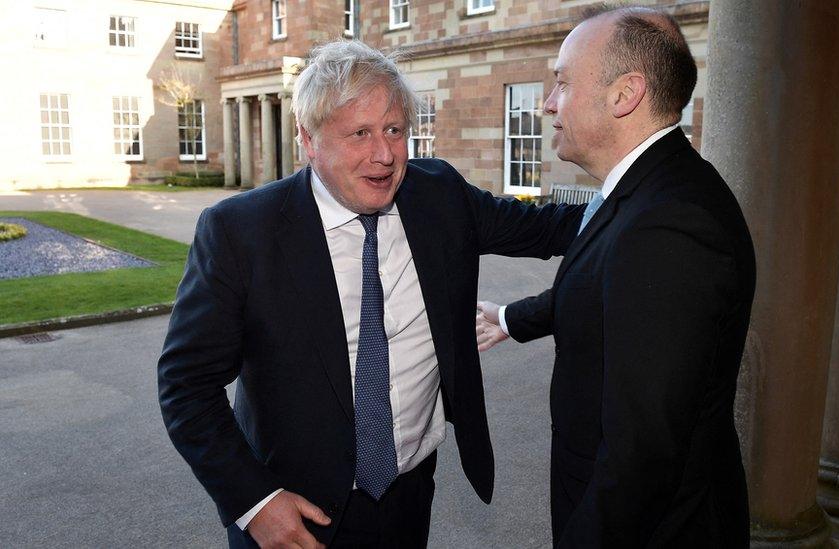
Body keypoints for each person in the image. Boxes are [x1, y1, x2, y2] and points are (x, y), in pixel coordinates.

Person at [157, 40, 582, 549]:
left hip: (409, 494)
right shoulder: (240, 232)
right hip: (294, 512)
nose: (384, 155)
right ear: (308, 140)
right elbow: (186, 386)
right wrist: (254, 502)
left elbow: (551, 228)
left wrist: (649, 192)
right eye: (360, 133)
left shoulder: (438, 195)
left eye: (395, 130)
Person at [477, 6, 755, 547]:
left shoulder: (669, 226)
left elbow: (642, 455)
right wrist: (511, 317)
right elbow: (601, 288)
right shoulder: (644, 192)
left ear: (625, 94)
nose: (549, 104)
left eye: (561, 83)